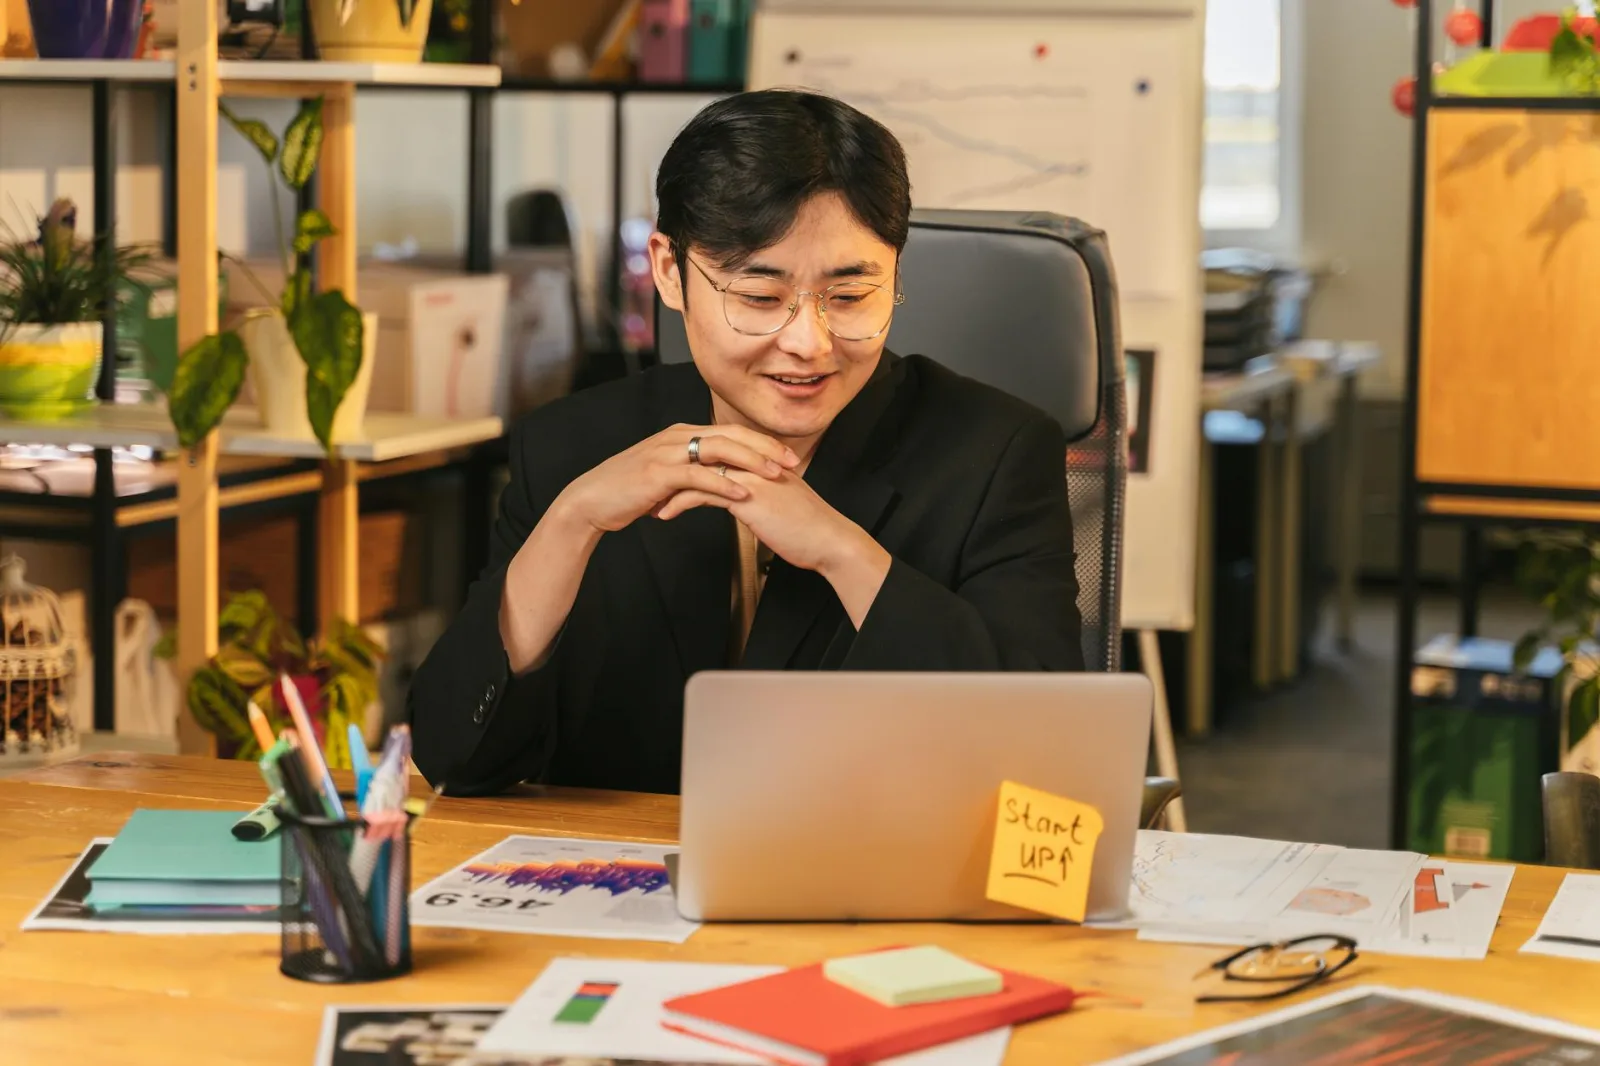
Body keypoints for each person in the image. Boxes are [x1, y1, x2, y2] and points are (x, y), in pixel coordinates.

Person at [408, 89, 1084, 797]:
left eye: (850, 297)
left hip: (866, 887)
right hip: (623, 886)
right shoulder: (574, 447)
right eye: (760, 298)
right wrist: (570, 523)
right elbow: (455, 756)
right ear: (669, 272)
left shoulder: (995, 455)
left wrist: (842, 552)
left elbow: (1042, 764)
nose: (807, 343)